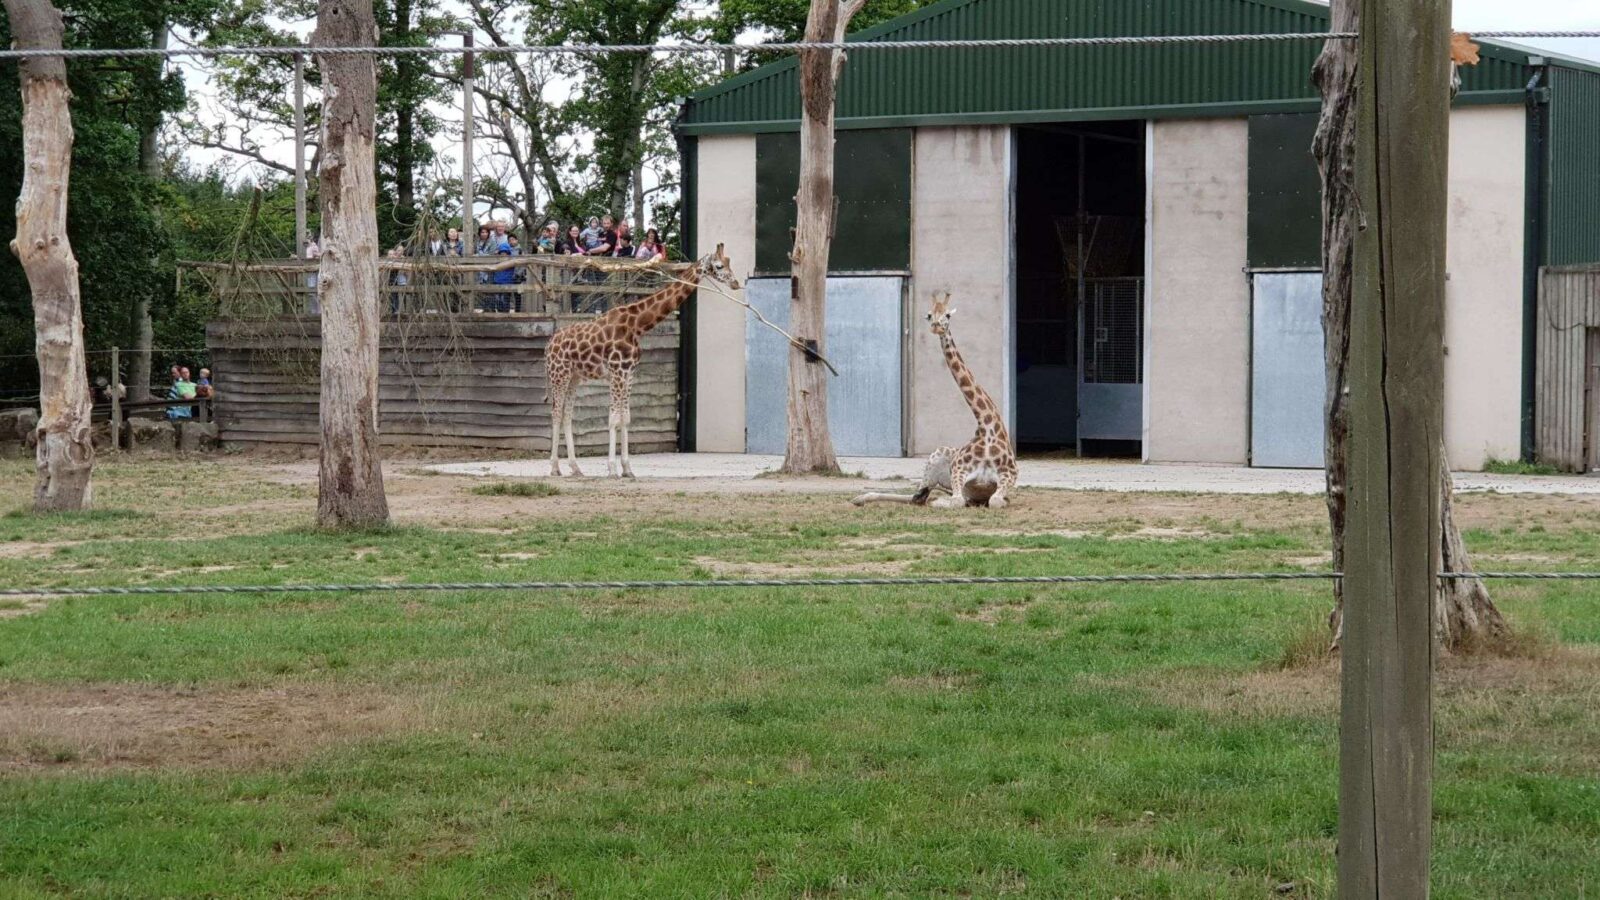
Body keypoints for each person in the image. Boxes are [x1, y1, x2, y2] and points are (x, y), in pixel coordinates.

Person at [387, 244, 410, 312]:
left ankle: (406, 311)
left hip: (403, 281)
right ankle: (395, 311)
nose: (401, 252)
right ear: (396, 251)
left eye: (402, 250)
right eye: (399, 250)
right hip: (394, 281)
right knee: (394, 296)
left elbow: (408, 272)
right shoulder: (393, 259)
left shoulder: (404, 259)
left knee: (405, 296)